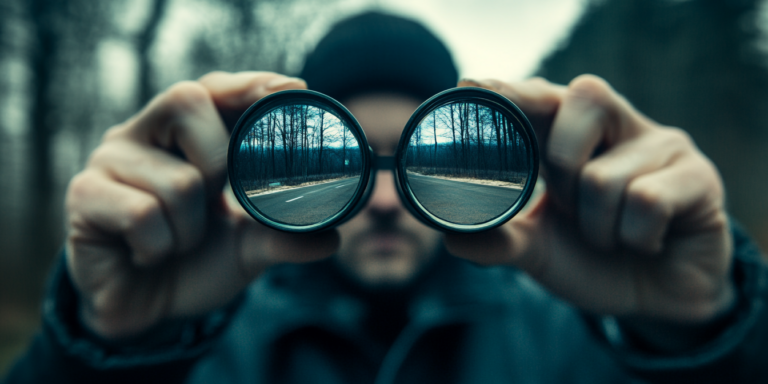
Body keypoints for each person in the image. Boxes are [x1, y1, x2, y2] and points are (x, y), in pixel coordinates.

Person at [4, 11, 768, 384]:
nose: (382, 198)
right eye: (350, 162)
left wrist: (699, 331)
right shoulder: (204, 347)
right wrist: (108, 351)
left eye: (416, 159)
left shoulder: (570, 339)